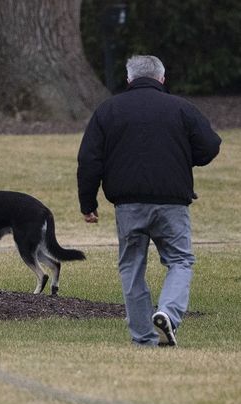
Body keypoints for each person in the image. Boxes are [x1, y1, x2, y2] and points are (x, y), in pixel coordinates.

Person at [77, 55, 221, 347]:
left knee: (132, 266)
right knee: (180, 259)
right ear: (162, 79)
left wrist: (87, 203)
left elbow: (89, 159)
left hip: (128, 204)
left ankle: (143, 338)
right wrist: (183, 160)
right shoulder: (181, 108)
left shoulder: (109, 110)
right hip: (172, 202)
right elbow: (210, 145)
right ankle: (168, 311)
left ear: (128, 79)